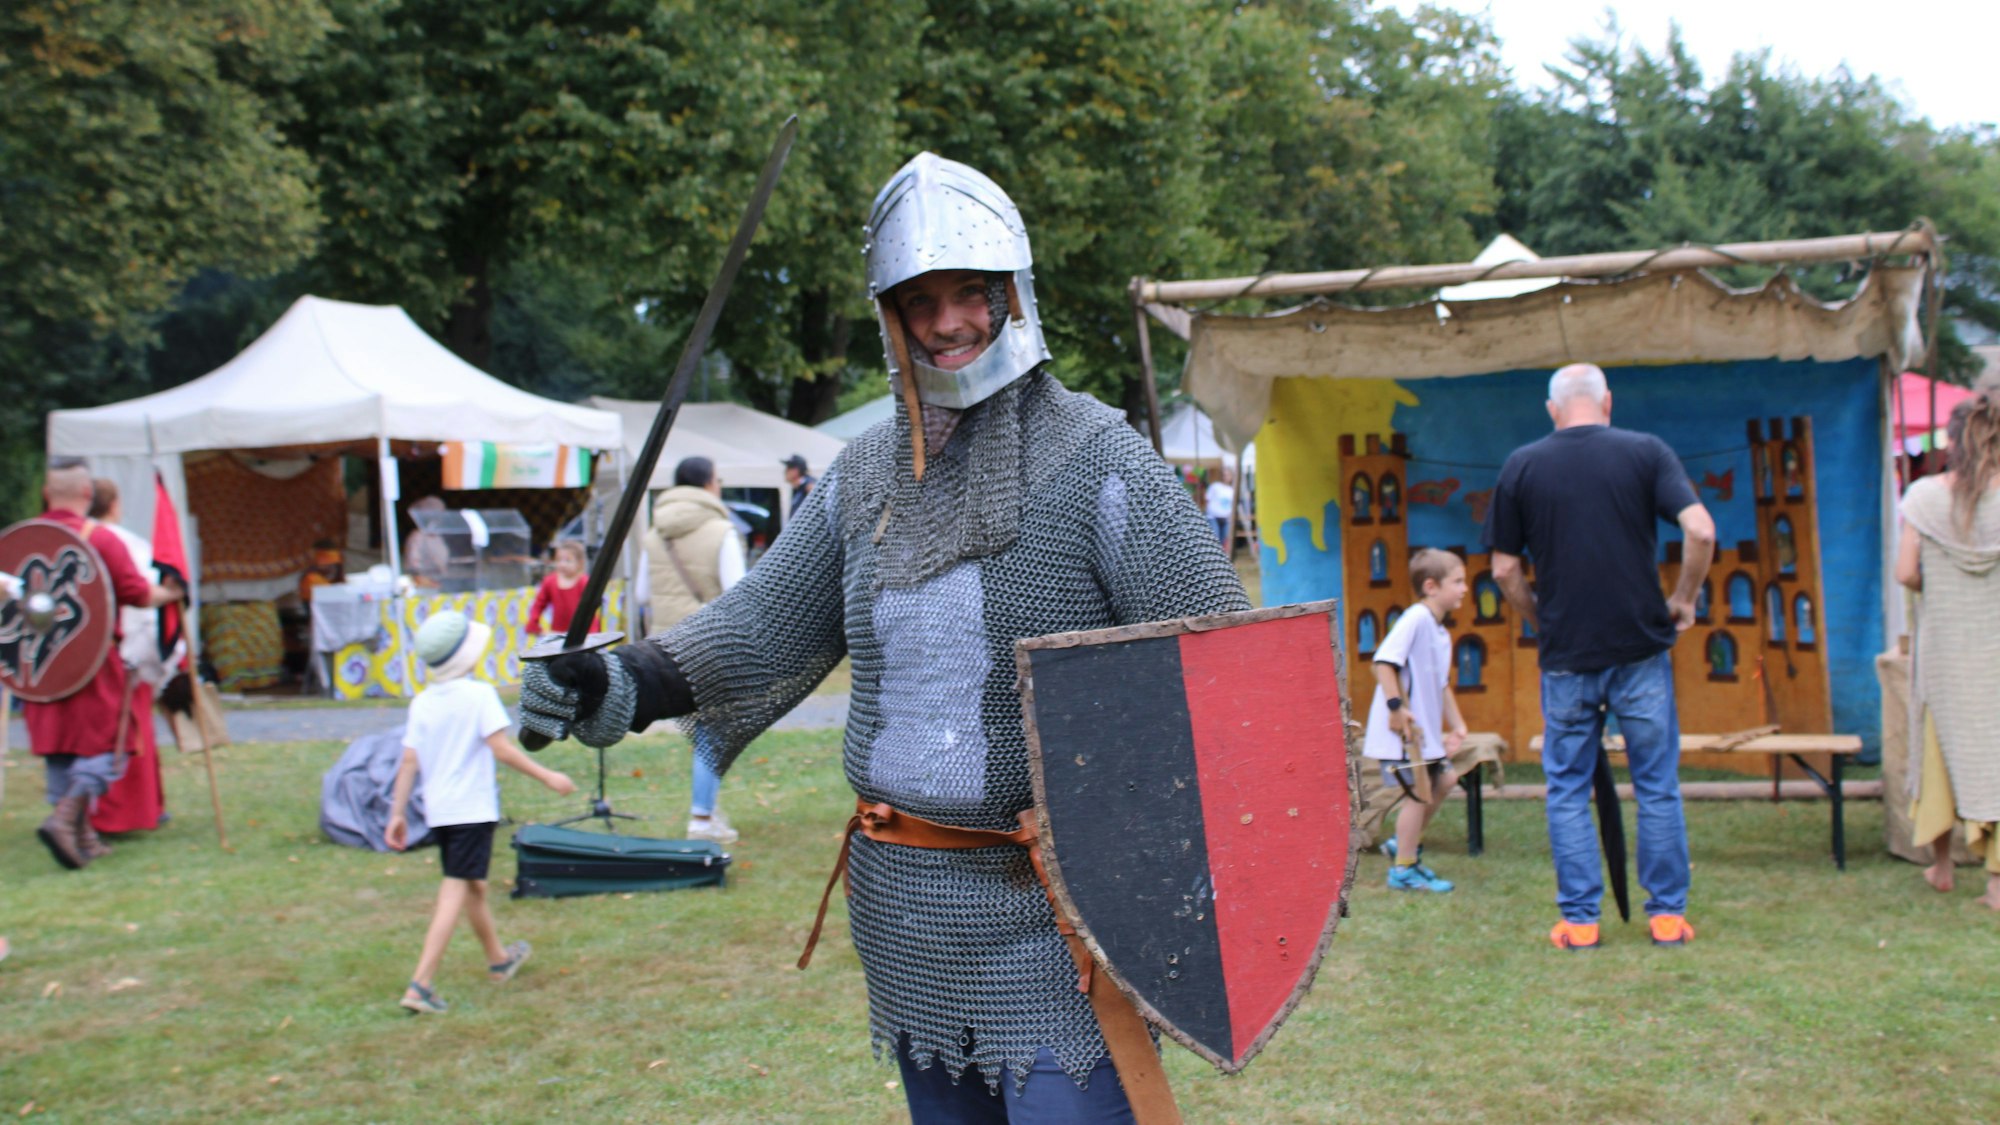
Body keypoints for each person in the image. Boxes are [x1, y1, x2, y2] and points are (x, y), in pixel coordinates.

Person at [521, 152, 1244, 1122]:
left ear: (1012, 296)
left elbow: (1226, 675)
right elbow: (758, 629)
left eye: (968, 295)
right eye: (920, 301)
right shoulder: (862, 477)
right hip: (910, 906)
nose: (947, 323)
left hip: (1060, 917)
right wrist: (622, 682)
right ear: (890, 316)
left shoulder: (1101, 464)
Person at [1484, 363, 1715, 950]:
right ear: (1608, 402)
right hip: (1641, 649)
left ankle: (1582, 923)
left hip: (1567, 657)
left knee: (1565, 788)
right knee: (1657, 785)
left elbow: (1505, 569)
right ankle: (1667, 917)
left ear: (1552, 409)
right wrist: (1683, 599)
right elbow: (1701, 531)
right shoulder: (1646, 452)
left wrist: (1541, 619)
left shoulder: (1522, 465)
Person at [385, 609, 575, 1014]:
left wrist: (396, 813)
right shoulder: (479, 695)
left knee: (474, 886)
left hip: (440, 812)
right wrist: (548, 776)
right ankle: (420, 984)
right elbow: (502, 748)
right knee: (456, 886)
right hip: (471, 810)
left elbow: (407, 762)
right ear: (467, 656)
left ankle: (498, 959)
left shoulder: (422, 703)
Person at [24, 463, 183, 870]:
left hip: (39, 665)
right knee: (112, 745)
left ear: (47, 491)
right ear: (84, 492)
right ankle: (66, 819)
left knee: (60, 745)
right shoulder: (102, 540)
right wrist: (170, 592)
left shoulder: (24, 541)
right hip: (89, 661)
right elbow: (135, 592)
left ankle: (82, 836)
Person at [1896, 389, 2000, 909]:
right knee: (1995, 752)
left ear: (1954, 441)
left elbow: (1905, 571)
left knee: (1938, 754)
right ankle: (1998, 883)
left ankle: (1941, 865)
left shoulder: (1923, 498)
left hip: (1945, 651)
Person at [642, 457, 747, 843]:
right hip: (710, 643)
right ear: (707, 485)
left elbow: (641, 594)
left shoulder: (655, 532)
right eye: (718, 479)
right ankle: (701, 817)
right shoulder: (721, 531)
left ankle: (708, 807)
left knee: (703, 733)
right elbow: (739, 593)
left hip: (663, 646)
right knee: (712, 733)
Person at [1363, 548, 1469, 893]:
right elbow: (1383, 663)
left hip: (1425, 736)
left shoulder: (1440, 632)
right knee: (1419, 794)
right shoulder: (1416, 618)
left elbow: (1441, 684)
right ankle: (1404, 869)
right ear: (1431, 586)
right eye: (1458, 581)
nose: (1465, 589)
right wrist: (1396, 708)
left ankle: (1402, 843)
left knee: (1447, 779)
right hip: (1404, 733)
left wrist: (1458, 724)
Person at [86, 478, 183, 837]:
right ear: (114, 505)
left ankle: (124, 812)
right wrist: (151, 662)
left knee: (109, 735)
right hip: (120, 655)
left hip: (96, 657)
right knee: (122, 736)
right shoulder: (119, 544)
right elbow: (141, 600)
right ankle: (116, 816)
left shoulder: (88, 542)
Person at [528, 539, 597, 639]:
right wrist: (533, 622)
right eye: (559, 560)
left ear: (579, 563)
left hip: (583, 633)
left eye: (568, 560)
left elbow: (590, 608)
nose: (562, 564)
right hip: (558, 633)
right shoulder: (550, 581)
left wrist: (592, 633)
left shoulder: (583, 582)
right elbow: (539, 604)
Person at [402, 496, 452, 588]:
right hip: (424, 585)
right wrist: (426, 580)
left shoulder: (437, 536)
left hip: (440, 581)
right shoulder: (417, 537)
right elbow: (413, 565)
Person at [1204, 468, 1235, 547]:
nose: (1225, 477)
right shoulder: (1215, 486)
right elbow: (1207, 499)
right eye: (1224, 475)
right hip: (1213, 517)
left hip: (1225, 519)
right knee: (1215, 539)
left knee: (1223, 540)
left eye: (1227, 475)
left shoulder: (1231, 490)